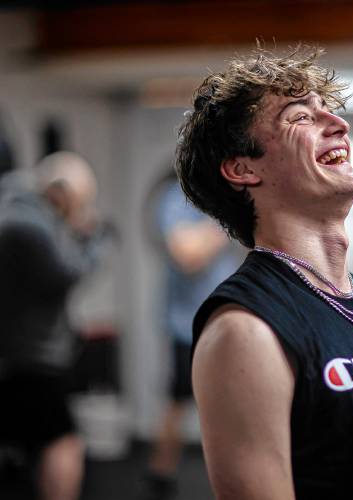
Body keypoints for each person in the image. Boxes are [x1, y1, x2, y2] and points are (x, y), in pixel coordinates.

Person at [175, 45, 353, 499]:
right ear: (242, 168)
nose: (339, 124)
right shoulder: (245, 330)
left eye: (329, 111)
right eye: (300, 117)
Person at [0, 151, 108, 500]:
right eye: (76, 203)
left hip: (20, 354)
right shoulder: (26, 222)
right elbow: (67, 271)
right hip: (31, 358)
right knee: (64, 444)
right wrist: (95, 239)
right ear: (60, 193)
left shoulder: (17, 208)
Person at [141, 176, 239, 500]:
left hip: (226, 318)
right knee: (179, 400)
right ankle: (160, 474)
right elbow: (187, 255)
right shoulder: (178, 198)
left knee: (233, 402)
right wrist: (225, 222)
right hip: (188, 323)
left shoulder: (224, 201)